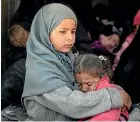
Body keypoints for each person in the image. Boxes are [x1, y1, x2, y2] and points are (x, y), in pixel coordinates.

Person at [22, 3, 131, 121]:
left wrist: (115, 90)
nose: (70, 37)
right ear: (45, 32)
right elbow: (71, 104)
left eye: (73, 31)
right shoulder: (41, 69)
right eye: (62, 32)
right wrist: (113, 97)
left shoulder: (65, 57)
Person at [74, 54, 129, 121]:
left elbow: (108, 118)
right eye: (79, 84)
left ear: (102, 76)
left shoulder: (108, 90)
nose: (83, 88)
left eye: (89, 84)